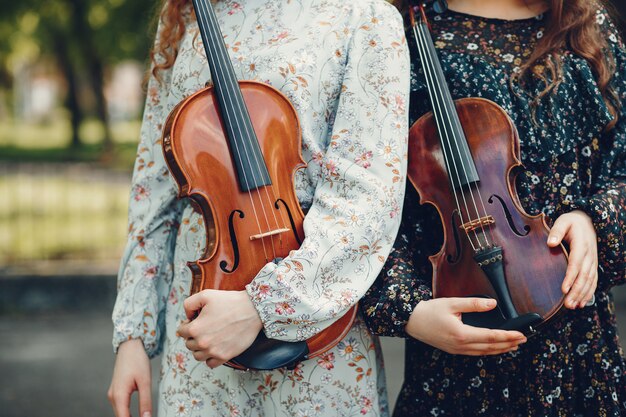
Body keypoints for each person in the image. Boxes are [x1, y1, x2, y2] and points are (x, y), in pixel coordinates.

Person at [106, 0, 416, 416]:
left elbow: (366, 197)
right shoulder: (186, 13)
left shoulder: (365, 15)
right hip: (200, 330)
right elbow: (155, 192)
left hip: (317, 329)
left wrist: (260, 306)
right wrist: (133, 336)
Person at [362, 0, 626, 415]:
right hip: (460, 332)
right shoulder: (399, 32)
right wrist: (411, 311)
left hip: (578, 334)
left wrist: (592, 218)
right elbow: (369, 202)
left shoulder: (586, 22)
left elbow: (621, 162)